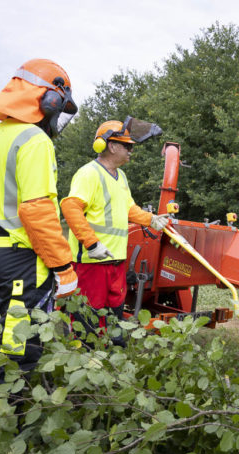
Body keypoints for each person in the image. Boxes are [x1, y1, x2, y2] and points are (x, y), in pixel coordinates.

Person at [0, 59, 79, 388]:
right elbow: (36, 211)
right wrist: (64, 268)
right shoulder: (34, 140)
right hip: (22, 262)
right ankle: (9, 424)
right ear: (49, 101)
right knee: (20, 347)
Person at [60, 118, 169, 347]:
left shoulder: (121, 177)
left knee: (114, 315)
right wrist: (92, 243)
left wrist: (151, 220)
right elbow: (71, 207)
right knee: (87, 317)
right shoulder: (89, 173)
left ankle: (112, 357)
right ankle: (85, 360)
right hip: (92, 262)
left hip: (116, 261)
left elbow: (128, 208)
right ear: (111, 146)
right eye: (127, 145)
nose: (131, 150)